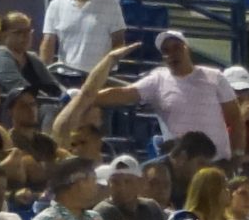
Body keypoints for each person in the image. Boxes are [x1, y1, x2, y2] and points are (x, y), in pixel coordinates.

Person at [95, 31, 239, 163]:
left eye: (177, 48)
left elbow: (235, 118)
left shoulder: (215, 77)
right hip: (180, 166)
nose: (172, 54)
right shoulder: (157, 80)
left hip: (217, 162)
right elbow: (124, 94)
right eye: (166, 51)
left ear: (186, 48)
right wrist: (85, 97)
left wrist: (237, 156)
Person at [41, 0, 126, 73]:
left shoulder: (111, 3)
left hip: (100, 78)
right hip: (66, 75)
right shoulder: (56, 5)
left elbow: (119, 41)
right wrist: (44, 76)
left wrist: (105, 69)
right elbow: (48, 43)